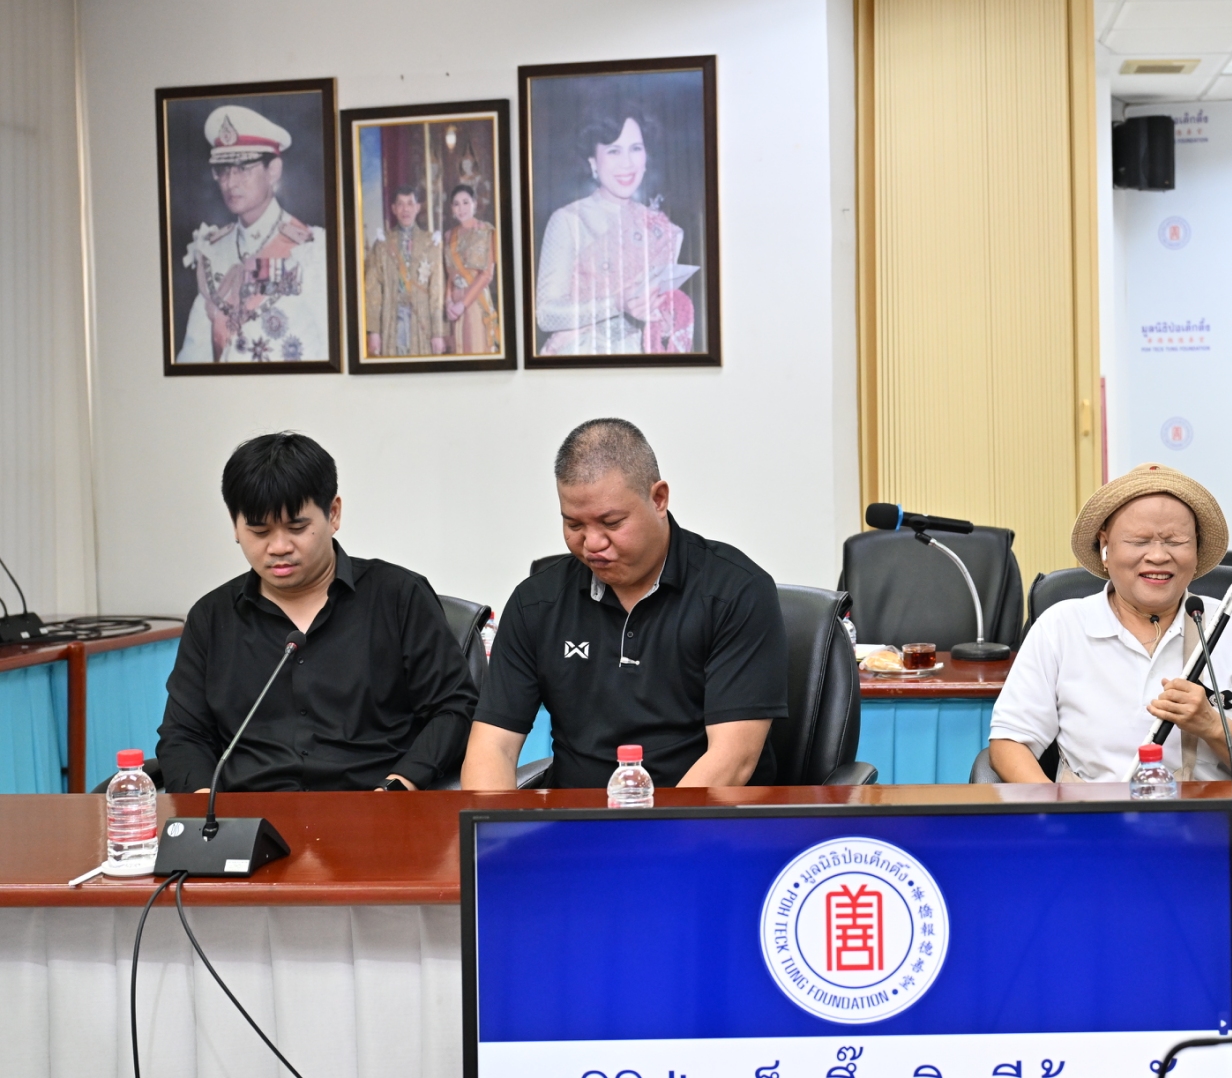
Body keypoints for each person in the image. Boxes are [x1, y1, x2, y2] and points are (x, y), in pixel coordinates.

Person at [461, 418, 786, 789]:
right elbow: (494, 747)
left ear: (658, 499)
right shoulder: (536, 603)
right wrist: (490, 823)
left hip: (698, 815)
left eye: (612, 522)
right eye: (574, 525)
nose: (592, 543)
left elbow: (733, 759)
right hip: (575, 816)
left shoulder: (735, 592)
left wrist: (649, 826)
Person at [156, 433, 476, 791]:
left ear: (333, 513)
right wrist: (206, 808)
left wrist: (401, 785)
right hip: (247, 813)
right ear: (235, 526)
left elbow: (454, 709)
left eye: (297, 528)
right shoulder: (211, 618)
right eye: (259, 531)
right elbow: (184, 735)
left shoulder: (398, 596)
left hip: (373, 806)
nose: (279, 547)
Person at [988, 464, 1232, 784]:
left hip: (1207, 810)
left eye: (1175, 541)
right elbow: (1010, 743)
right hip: (1089, 810)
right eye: (1139, 541)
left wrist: (1212, 725)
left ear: (1196, 549)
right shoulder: (1060, 627)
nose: (1158, 556)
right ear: (1105, 547)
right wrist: (1053, 809)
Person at [532, 109, 697, 356]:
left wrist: (663, 320)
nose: (627, 163)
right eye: (613, 151)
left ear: (646, 157)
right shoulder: (569, 221)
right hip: (582, 357)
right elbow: (546, 315)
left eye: (636, 149)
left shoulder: (659, 228)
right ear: (593, 162)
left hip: (643, 361)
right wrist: (616, 303)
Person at [176, 104, 328, 365]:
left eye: (243, 168)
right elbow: (194, 357)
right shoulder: (213, 250)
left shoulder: (311, 250)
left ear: (273, 171)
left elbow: (328, 347)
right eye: (223, 170)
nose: (230, 182)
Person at [363, 184, 446, 358]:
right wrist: (374, 332)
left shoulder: (430, 243)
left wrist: (438, 333)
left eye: (410, 203)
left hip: (422, 320)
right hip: (391, 318)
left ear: (418, 207)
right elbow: (373, 290)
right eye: (400, 204)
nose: (405, 209)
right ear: (394, 209)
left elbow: (437, 291)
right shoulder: (383, 244)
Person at [442, 183, 501, 355]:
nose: (461, 208)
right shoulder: (449, 235)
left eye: (465, 202)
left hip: (475, 302)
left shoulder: (486, 231)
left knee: (476, 350)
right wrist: (448, 302)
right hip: (454, 307)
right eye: (456, 204)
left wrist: (463, 304)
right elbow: (449, 274)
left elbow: (487, 275)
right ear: (452, 208)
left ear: (474, 203)